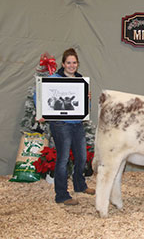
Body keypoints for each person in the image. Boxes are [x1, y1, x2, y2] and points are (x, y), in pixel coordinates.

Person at [35, 48, 95, 205]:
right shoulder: (54, 78)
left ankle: (80, 185)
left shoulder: (81, 79)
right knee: (63, 159)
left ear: (77, 64)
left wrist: (87, 98)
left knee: (81, 157)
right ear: (63, 64)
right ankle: (61, 195)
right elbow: (39, 93)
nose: (71, 65)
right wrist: (41, 111)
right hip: (60, 124)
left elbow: (84, 106)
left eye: (74, 62)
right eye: (68, 62)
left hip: (77, 124)